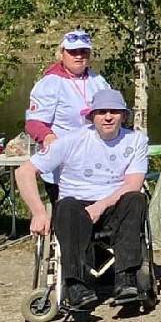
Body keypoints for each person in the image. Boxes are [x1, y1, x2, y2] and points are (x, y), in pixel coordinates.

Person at [15, 89, 150, 313]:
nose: (108, 117)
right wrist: (38, 212)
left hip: (113, 205)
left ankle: (126, 280)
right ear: (92, 116)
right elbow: (24, 172)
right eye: (102, 112)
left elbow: (132, 184)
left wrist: (99, 206)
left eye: (114, 112)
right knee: (66, 205)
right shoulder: (71, 140)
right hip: (76, 206)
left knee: (135, 198)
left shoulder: (136, 141)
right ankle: (76, 286)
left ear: (123, 116)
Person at [24, 30, 113, 201]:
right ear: (61, 53)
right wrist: (47, 137)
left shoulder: (99, 81)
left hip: (96, 161)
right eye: (73, 52)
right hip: (64, 166)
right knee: (67, 218)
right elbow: (33, 123)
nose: (79, 56)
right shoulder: (50, 83)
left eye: (84, 51)